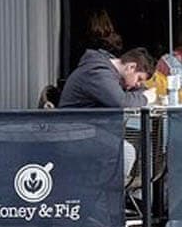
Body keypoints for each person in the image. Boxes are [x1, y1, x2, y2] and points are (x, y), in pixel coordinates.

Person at [58, 45, 153, 180]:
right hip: (74, 132)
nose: (138, 84)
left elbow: (138, 91)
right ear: (131, 67)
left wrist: (141, 91)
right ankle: (108, 196)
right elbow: (122, 102)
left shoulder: (110, 72)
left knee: (142, 146)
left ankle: (132, 195)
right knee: (127, 152)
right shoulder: (98, 73)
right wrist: (146, 98)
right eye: (139, 79)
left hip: (89, 128)